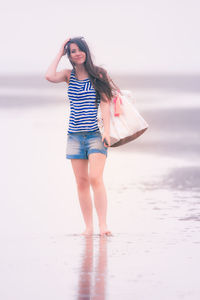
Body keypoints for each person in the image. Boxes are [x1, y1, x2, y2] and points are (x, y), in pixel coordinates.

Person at [45, 37, 119, 236]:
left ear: (85, 51)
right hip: (74, 136)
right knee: (81, 182)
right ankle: (88, 227)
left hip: (95, 134)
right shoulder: (68, 75)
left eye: (79, 50)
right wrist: (59, 52)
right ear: (68, 55)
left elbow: (105, 103)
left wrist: (107, 133)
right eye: (72, 51)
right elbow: (49, 76)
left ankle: (103, 226)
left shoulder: (99, 74)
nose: (76, 53)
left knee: (96, 178)